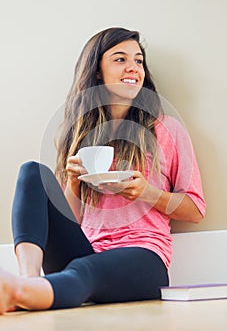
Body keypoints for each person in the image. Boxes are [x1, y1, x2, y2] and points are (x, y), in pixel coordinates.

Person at [0, 27, 206, 314]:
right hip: (86, 249)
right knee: (31, 172)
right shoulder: (80, 135)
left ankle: (21, 292)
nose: (133, 68)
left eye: (138, 60)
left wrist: (148, 193)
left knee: (83, 270)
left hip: (143, 257)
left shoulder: (166, 129)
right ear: (98, 71)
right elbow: (72, 218)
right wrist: (73, 183)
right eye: (120, 59)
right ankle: (28, 279)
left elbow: (195, 210)